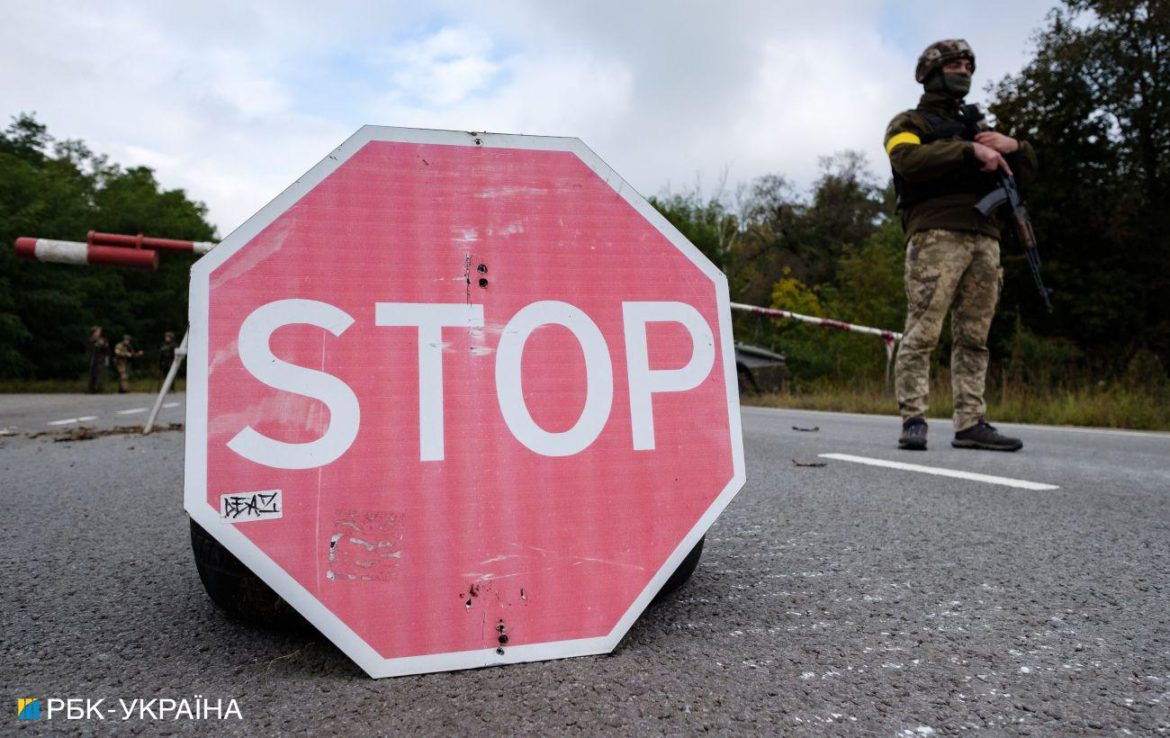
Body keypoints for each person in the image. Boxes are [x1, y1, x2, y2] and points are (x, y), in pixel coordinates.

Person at [884, 39, 1037, 452]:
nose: (964, 69)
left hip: (985, 239)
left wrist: (1015, 147)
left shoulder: (979, 125)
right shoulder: (909, 123)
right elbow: (907, 162)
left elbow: (1026, 175)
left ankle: (970, 421)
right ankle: (913, 419)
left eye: (969, 63)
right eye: (954, 63)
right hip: (936, 234)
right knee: (923, 330)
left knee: (974, 337)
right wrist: (969, 150)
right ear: (931, 72)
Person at [87, 326, 109, 394]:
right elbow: (89, 349)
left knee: (99, 374)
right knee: (92, 374)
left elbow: (107, 350)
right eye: (97, 331)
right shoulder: (90, 340)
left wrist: (102, 345)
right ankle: (91, 389)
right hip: (93, 359)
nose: (98, 333)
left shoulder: (103, 340)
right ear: (94, 332)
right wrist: (94, 343)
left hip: (100, 359)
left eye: (99, 332)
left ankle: (99, 389)